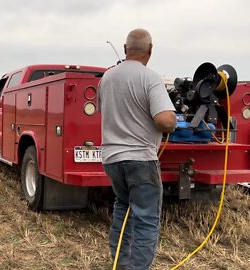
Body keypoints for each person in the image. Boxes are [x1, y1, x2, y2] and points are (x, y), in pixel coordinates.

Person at [98, 28, 177, 270]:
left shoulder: (107, 78)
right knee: (146, 220)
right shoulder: (150, 78)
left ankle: (120, 264)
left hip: (112, 159)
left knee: (123, 209)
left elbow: (106, 112)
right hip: (141, 160)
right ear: (150, 50)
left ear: (125, 49)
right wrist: (173, 121)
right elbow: (165, 120)